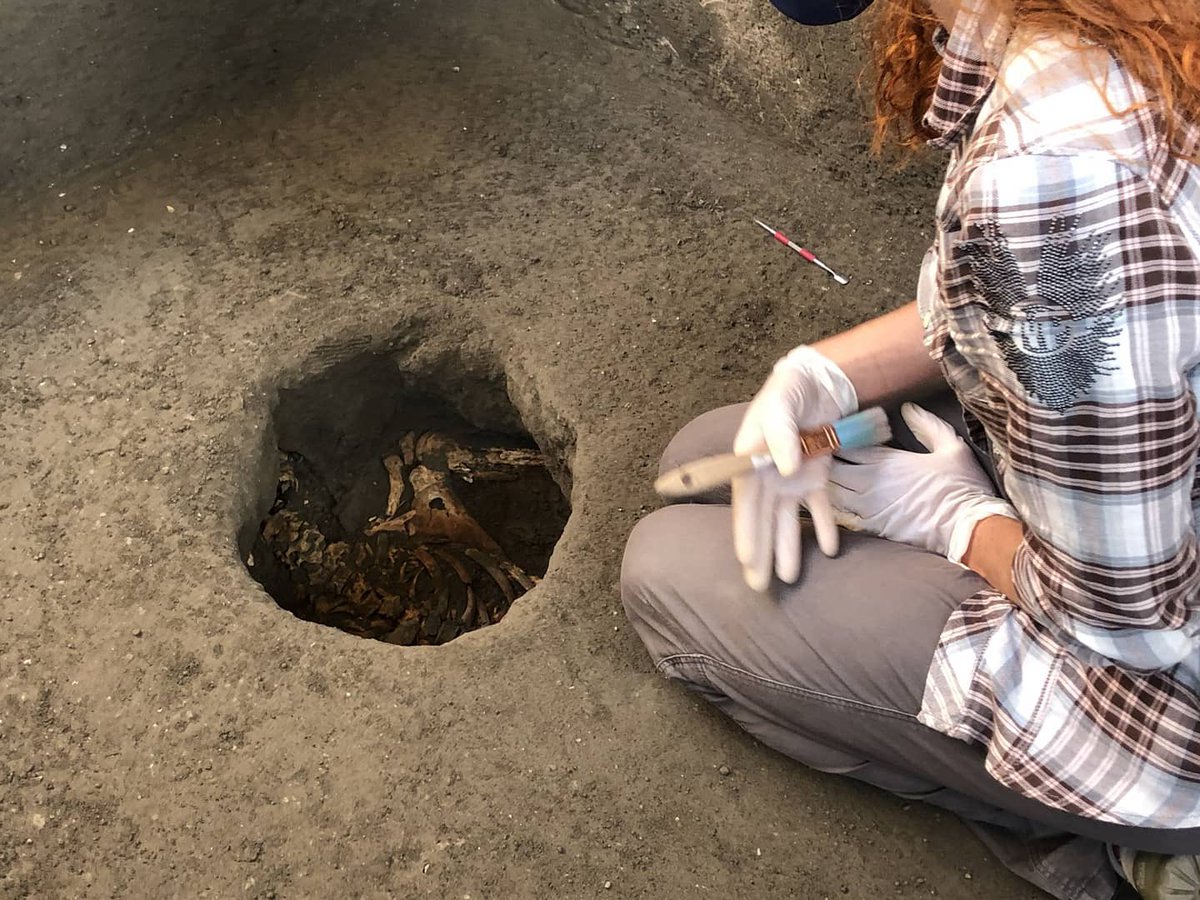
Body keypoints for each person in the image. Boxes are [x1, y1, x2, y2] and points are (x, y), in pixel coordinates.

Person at [620, 1, 1200, 898]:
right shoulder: (1125, 36)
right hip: (1149, 489)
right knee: (723, 457)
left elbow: (1122, 618)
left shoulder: (1055, 174)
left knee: (665, 574)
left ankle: (1135, 852)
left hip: (1162, 669)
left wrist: (956, 519)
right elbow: (1035, 314)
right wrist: (823, 374)